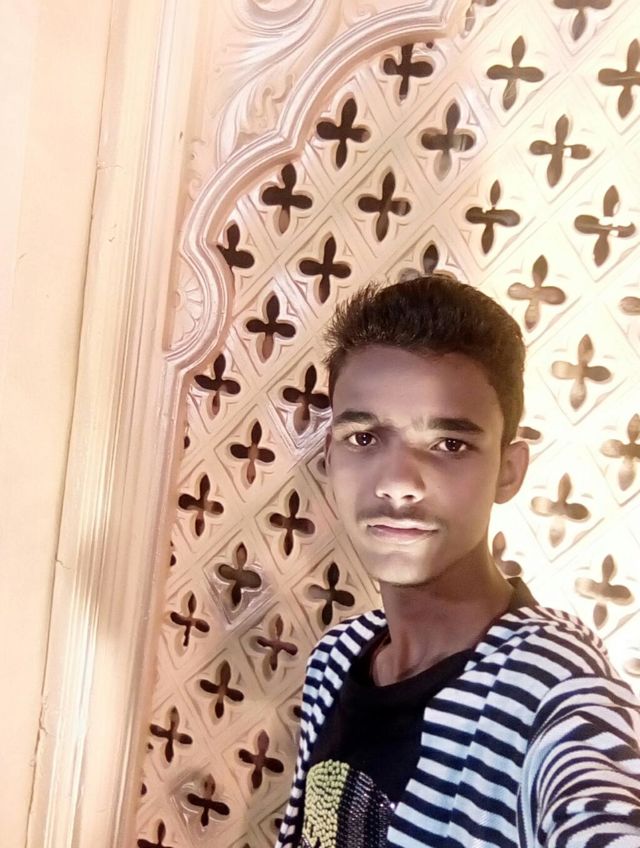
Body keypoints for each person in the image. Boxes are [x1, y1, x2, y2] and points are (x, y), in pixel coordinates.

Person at [275, 273, 640, 848]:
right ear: (329, 457)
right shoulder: (335, 659)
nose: (398, 483)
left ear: (508, 472)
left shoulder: (553, 692)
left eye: (450, 445)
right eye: (364, 438)